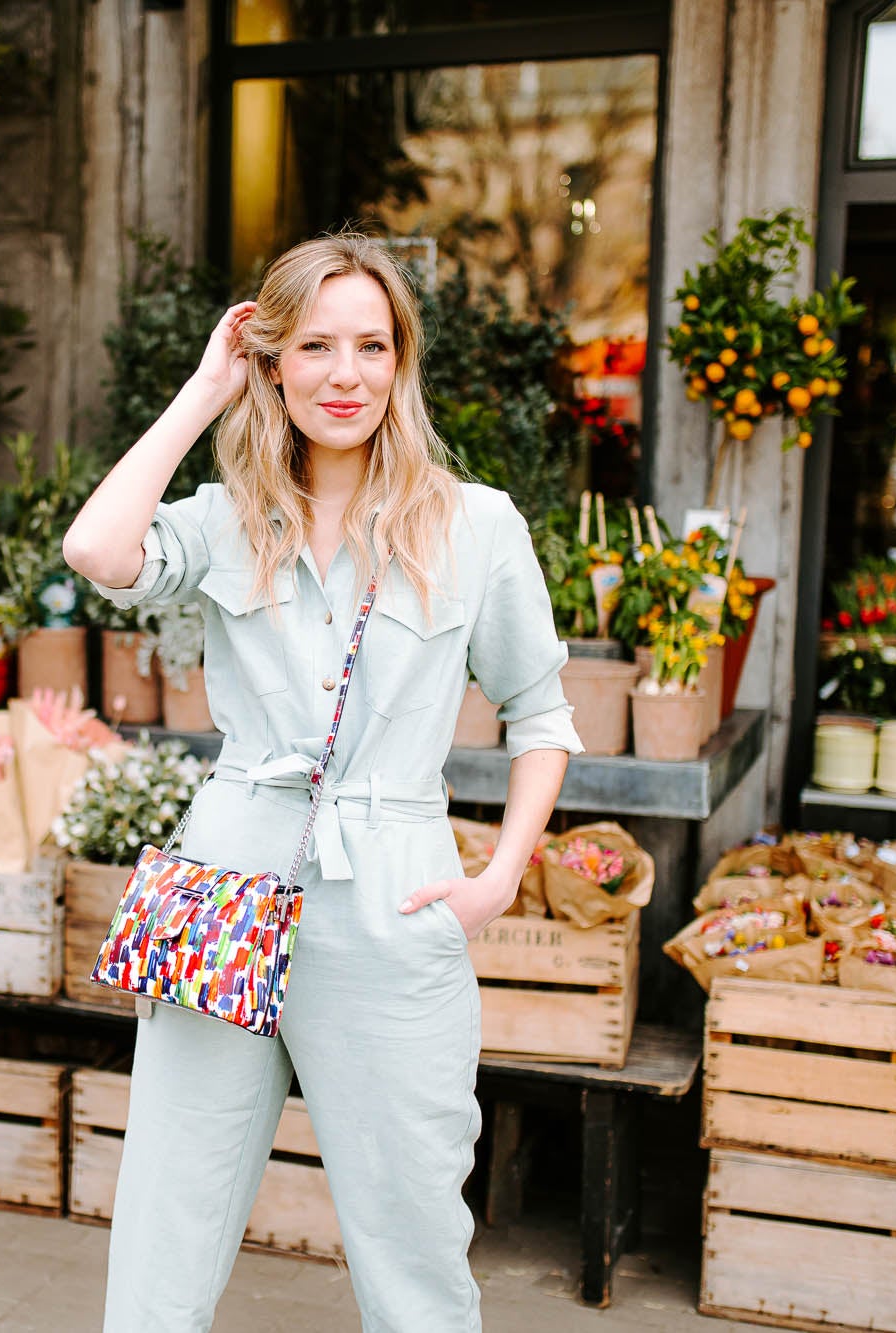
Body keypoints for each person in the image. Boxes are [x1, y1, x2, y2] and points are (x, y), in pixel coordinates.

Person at [62, 232, 582, 1332]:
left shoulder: (474, 523)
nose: (344, 374)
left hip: (393, 895)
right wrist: (205, 390)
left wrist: (496, 878)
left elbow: (542, 716)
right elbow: (97, 551)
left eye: (370, 346)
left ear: (400, 364)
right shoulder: (224, 519)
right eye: (313, 346)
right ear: (273, 361)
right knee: (167, 1215)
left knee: (413, 1240)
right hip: (227, 887)